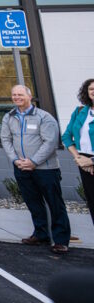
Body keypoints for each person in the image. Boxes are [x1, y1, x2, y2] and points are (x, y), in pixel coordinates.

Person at [0, 85, 71, 253]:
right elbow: (5, 139)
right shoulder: (9, 117)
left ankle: (61, 239)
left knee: (55, 203)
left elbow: (50, 143)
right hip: (21, 168)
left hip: (45, 169)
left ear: (29, 96)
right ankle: (41, 234)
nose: (17, 97)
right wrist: (16, 160)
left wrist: (33, 161)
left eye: (20, 94)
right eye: (14, 95)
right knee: (33, 202)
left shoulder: (44, 117)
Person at [62, 78, 94, 225]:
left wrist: (91, 161)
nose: (93, 91)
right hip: (83, 161)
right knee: (92, 202)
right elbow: (67, 137)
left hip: (90, 160)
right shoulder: (80, 111)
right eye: (91, 89)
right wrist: (79, 158)